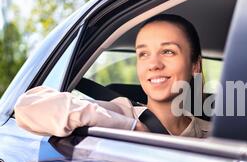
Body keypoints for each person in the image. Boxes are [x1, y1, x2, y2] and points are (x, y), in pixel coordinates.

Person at [14, 14, 210, 138]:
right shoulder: (121, 112)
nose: (154, 65)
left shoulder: (216, 134)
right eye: (143, 54)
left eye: (168, 51)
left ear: (195, 66)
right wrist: (131, 127)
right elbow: (27, 106)